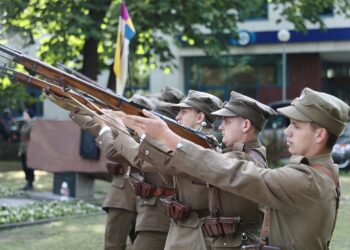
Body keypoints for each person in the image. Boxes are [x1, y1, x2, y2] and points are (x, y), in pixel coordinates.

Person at [124, 87, 348, 249]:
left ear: (320, 134)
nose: (287, 132)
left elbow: (232, 172)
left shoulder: (305, 179)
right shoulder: (319, 172)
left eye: (296, 126)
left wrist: (167, 136)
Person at [124, 91, 277, 249]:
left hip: (237, 243)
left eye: (227, 122)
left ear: (245, 125)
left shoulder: (244, 159)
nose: (221, 126)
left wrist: (156, 135)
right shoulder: (238, 155)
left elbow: (203, 161)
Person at [113, 90, 223, 250]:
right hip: (183, 230)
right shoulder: (196, 144)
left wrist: (140, 132)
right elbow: (171, 177)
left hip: (194, 236)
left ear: (200, 117)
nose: (177, 117)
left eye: (184, 112)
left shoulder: (202, 146)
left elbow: (167, 163)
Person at [18, 109, 36, 191]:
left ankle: (30, 183)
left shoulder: (32, 125)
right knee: (24, 166)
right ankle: (27, 182)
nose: (23, 116)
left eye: (24, 115)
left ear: (29, 115)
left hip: (30, 149)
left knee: (29, 167)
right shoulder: (24, 125)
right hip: (23, 149)